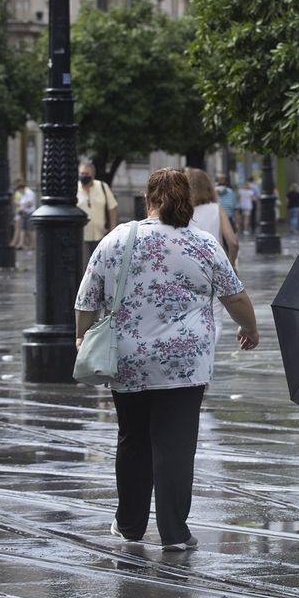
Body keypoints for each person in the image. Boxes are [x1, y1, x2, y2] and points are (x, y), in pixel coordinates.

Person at [76, 168, 260, 550]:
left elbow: (86, 298)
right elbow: (236, 297)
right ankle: (175, 533)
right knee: (175, 445)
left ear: (148, 200)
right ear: (187, 203)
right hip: (184, 363)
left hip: (126, 358)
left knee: (133, 439)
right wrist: (250, 329)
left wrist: (82, 334)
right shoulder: (203, 244)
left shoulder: (117, 239)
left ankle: (128, 524)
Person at [186, 167, 240, 264]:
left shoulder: (183, 210)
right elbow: (233, 242)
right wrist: (231, 264)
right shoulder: (217, 208)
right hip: (214, 263)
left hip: (190, 264)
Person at [77, 161, 119, 268]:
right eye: (82, 173)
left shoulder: (102, 187)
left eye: (87, 174)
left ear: (93, 175)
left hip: (101, 235)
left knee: (101, 266)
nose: (84, 176)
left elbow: (112, 207)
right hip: (82, 236)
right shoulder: (74, 189)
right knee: (84, 266)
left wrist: (112, 229)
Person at [11, 179, 38, 250]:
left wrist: (22, 206)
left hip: (29, 213)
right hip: (23, 213)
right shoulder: (23, 194)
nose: (19, 192)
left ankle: (34, 245)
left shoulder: (29, 193)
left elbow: (30, 203)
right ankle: (21, 244)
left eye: (19, 190)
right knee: (22, 229)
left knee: (30, 230)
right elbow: (20, 203)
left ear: (22, 188)